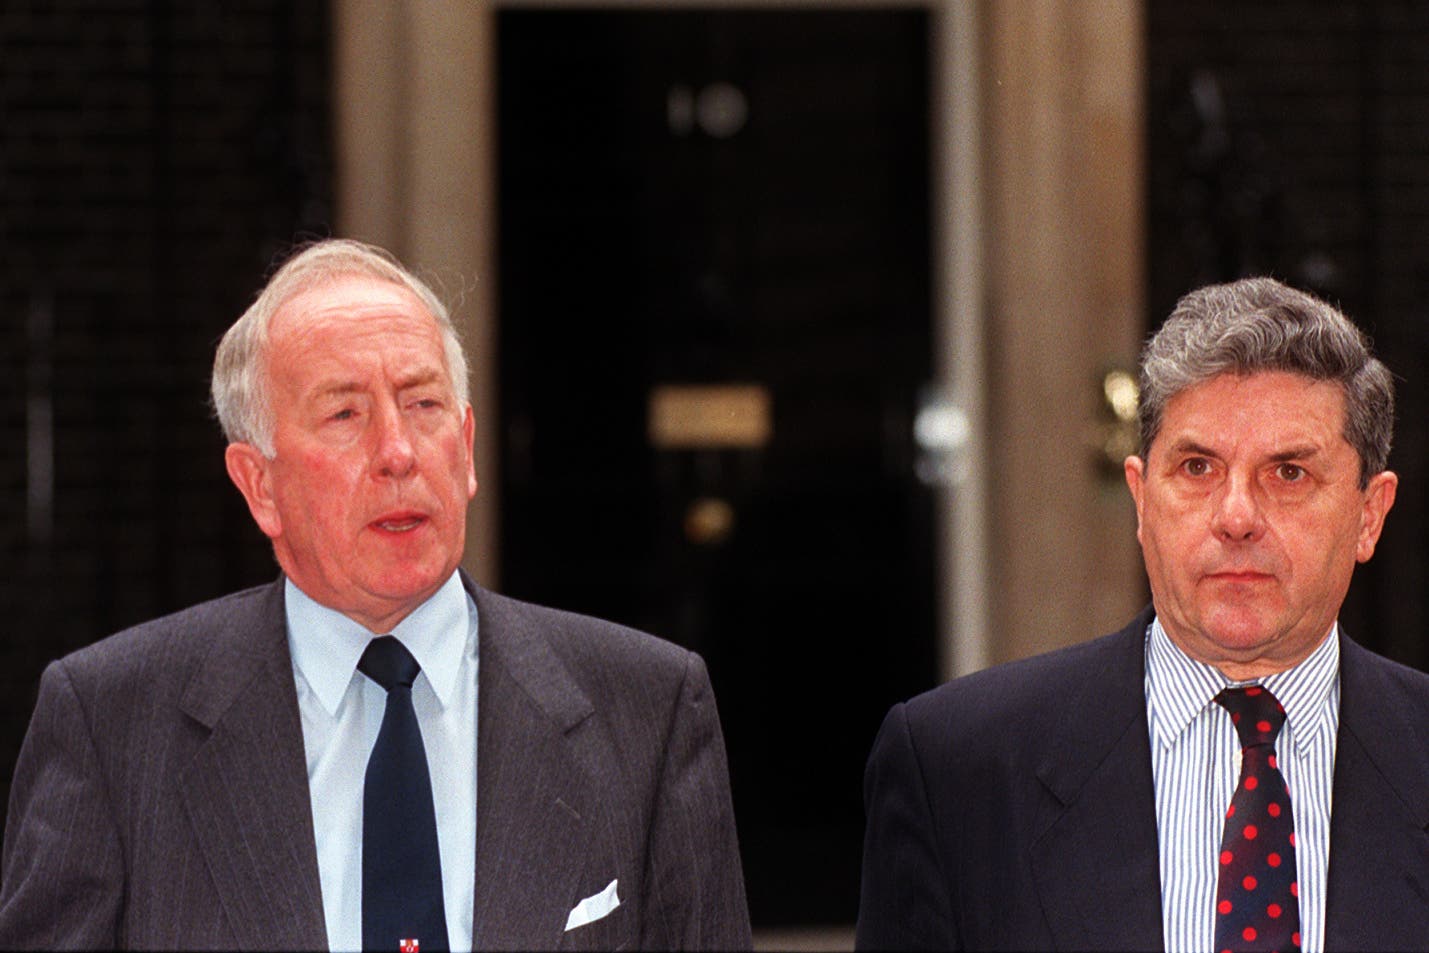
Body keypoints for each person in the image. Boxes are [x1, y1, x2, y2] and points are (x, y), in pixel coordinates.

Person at [0, 239, 752, 951]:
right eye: (345, 413)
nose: (397, 452)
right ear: (259, 484)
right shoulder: (112, 724)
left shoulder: (648, 709)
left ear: (465, 447)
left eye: (422, 405)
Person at [856, 277, 1429, 952]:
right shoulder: (957, 767)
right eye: (1196, 467)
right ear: (1139, 497)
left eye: (1288, 473)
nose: (1236, 516)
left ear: (1369, 514)